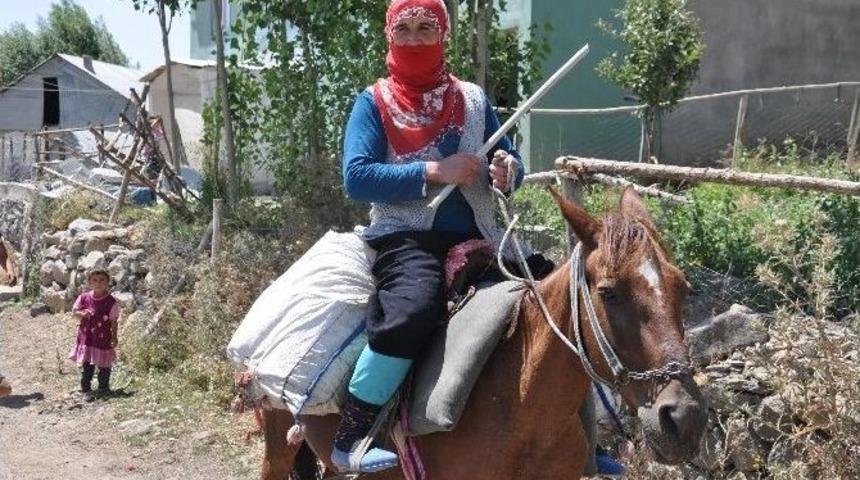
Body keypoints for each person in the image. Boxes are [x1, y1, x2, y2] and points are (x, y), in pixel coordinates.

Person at [336, 0, 625, 476]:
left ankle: (585, 439)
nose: (413, 39)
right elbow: (357, 177)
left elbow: (509, 157)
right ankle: (354, 431)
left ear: (442, 36)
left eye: (425, 28)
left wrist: (507, 170)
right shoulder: (374, 102)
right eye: (403, 29)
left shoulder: (472, 99)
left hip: (483, 236)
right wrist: (434, 170)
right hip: (406, 238)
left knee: (566, 303)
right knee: (411, 309)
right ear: (390, 37)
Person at [68, 269, 120, 402]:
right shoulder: (84, 297)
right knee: (87, 364)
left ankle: (103, 388)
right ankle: (85, 388)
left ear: (108, 282)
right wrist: (82, 314)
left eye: (102, 280)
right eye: (94, 280)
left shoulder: (111, 302)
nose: (98, 283)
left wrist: (114, 337)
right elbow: (74, 312)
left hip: (103, 338)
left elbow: (114, 321)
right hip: (87, 338)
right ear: (90, 283)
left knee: (104, 364)